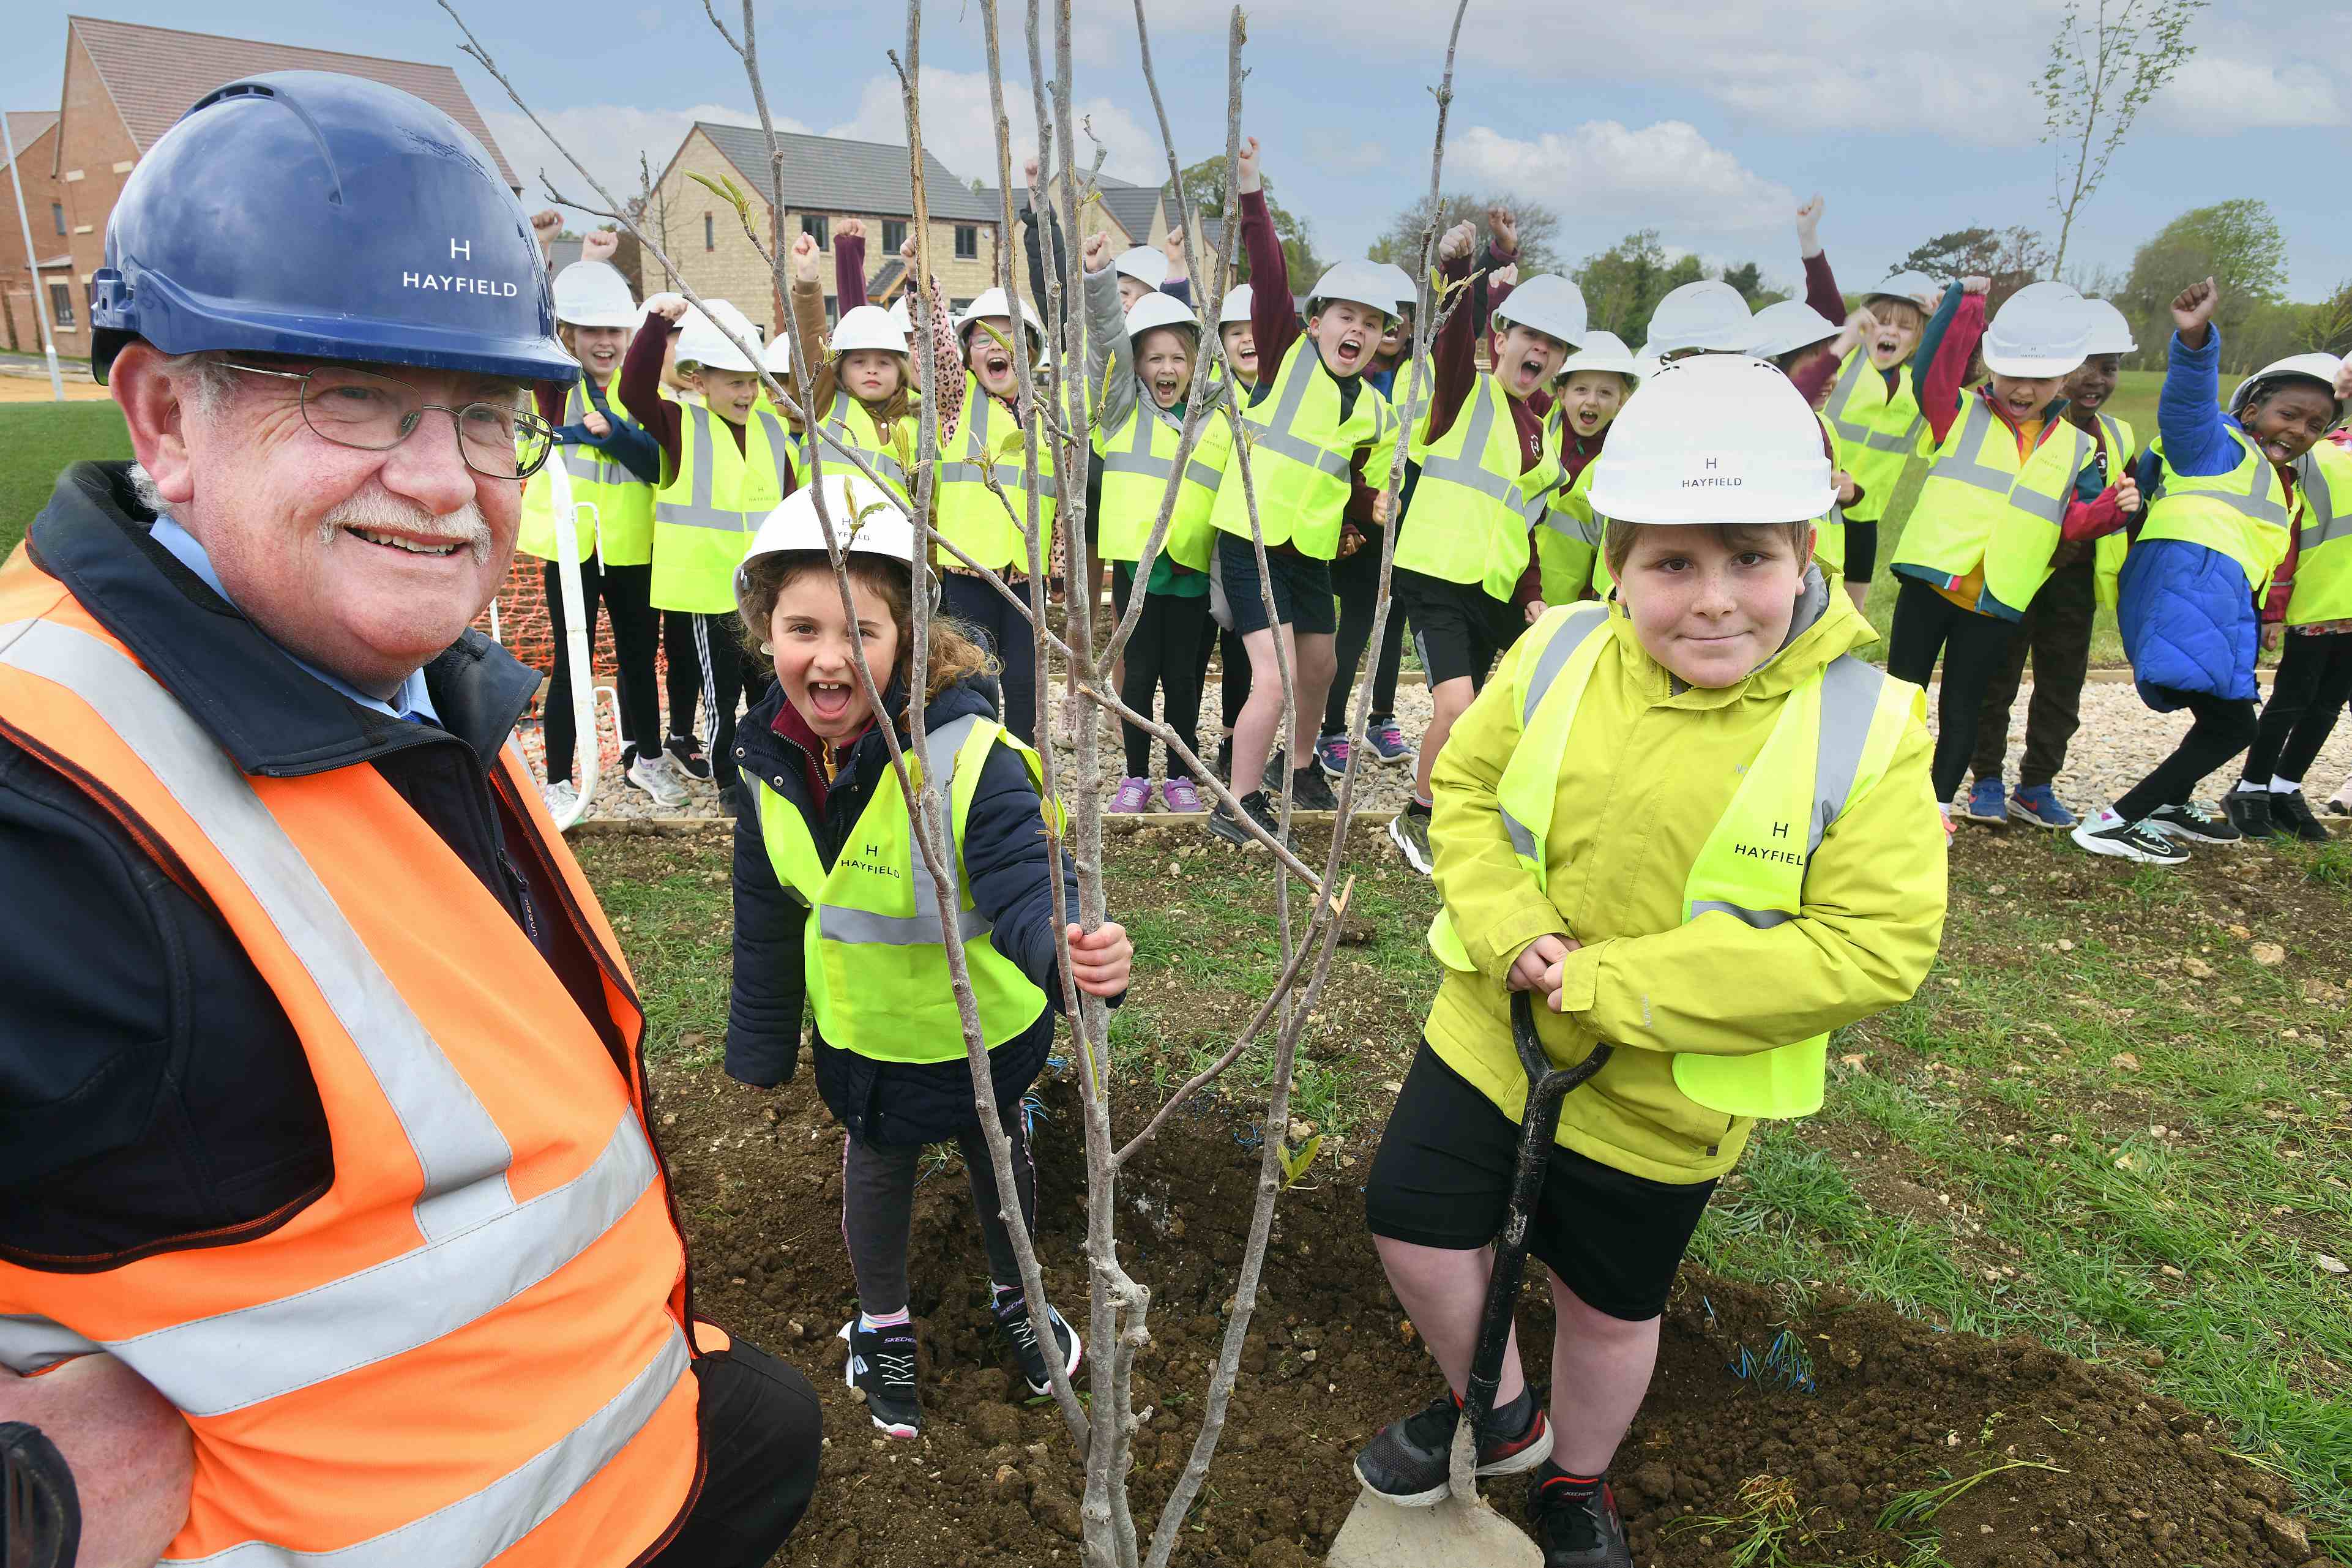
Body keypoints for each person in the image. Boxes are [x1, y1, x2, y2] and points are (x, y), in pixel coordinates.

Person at [0, 70, 820, 1568]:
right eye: (355, 397)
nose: (444, 484)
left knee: (771, 1425)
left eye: (487, 415)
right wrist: (28, 1494)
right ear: (165, 416)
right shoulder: (41, 815)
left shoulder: (397, 680)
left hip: (613, 1456)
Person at [1357, 356, 1943, 1567]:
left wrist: (1609, 987)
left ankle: (1576, 1481)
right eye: (1671, 564)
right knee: (1411, 1222)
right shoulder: (1561, 649)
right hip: (1493, 1029)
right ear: (1616, 566)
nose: (1714, 601)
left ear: (1805, 554)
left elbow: (1871, 945)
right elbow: (1466, 787)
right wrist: (1506, 922)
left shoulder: (1865, 723)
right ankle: (1497, 1413)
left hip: (1665, 1097)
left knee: (1606, 1307)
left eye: (1750, 559)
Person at [724, 474, 1131, 1436]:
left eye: (860, 631)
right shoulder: (766, 759)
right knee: (879, 1172)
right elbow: (767, 909)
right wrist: (761, 1042)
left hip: (986, 1036)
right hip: (867, 1040)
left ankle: (1019, 1299)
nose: (829, 657)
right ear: (765, 632)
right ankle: (883, 1325)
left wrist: (1066, 948)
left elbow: (1026, 874)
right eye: (802, 627)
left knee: (1001, 1164)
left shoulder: (966, 755)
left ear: (907, 639)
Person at [2072, 285, 2352, 861]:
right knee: (2234, 727)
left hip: (2214, 598)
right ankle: (2113, 822)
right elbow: (2185, 406)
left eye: (2314, 425)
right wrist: (2195, 340)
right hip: (2185, 586)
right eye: (2288, 414)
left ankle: (2170, 803)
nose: (2298, 430)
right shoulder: (2215, 447)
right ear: (2250, 413)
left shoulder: (2279, 482)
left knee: (2219, 714)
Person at [1885, 278, 2132, 836]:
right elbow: (1931, 372)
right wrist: (1964, 304)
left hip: (1996, 600)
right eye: (2011, 374)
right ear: (1992, 367)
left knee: (1963, 708)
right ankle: (1879, 794)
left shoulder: (2077, 446)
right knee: (1900, 696)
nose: (2023, 389)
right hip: (1931, 583)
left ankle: (1935, 808)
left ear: (2064, 379)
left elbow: (2075, 521)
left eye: (2041, 380)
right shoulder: (1958, 412)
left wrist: (2113, 510)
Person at [1204, 135, 1398, 845]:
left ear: (1380, 342)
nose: (1358, 330)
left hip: (1309, 551)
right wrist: (1252, 190)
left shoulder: (1376, 409)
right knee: (1278, 676)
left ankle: (1301, 768)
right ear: (1316, 324)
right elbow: (1268, 270)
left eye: (1372, 324)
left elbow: (1361, 481)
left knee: (1321, 664)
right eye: (1346, 316)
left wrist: (1372, 507)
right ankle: (1237, 804)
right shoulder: (1285, 355)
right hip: (1251, 539)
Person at [1385, 218, 1574, 875]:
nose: (1540, 351)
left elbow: (1525, 527)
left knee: (1512, 705)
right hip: (1435, 577)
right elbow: (1451, 339)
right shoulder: (1464, 394)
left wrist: (1533, 595)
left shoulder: (1542, 436)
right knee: (1455, 706)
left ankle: (1482, 804)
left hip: (1494, 591)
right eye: (1529, 337)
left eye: (1554, 346)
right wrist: (1465, 268)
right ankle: (1418, 816)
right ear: (1502, 339)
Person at [521, 228, 689, 812]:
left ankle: (646, 761)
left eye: (615, 331)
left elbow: (654, 463)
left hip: (632, 544)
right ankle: (559, 780)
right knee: (572, 660)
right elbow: (534, 320)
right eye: (591, 330)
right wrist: (550, 252)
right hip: (570, 546)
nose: (605, 342)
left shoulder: (639, 391)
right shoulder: (554, 386)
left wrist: (616, 434)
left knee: (639, 658)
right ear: (569, 334)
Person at [1964, 297, 2143, 830]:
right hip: (2014, 573)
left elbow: (2127, 500)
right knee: (1995, 679)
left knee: (2061, 685)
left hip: (2073, 584)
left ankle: (2037, 785)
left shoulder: (2117, 434)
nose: (2096, 379)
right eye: (2086, 365)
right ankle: (1986, 779)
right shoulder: (2024, 423)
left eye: (2109, 367)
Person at [621, 291, 794, 814]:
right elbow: (632, 392)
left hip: (766, 594)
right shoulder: (681, 423)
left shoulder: (772, 428)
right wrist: (656, 327)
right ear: (699, 381)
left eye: (751, 381)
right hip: (708, 591)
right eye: (734, 382)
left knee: (770, 687)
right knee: (721, 694)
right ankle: (728, 782)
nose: (747, 393)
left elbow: (787, 502)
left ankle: (770, 769)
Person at [1083, 245, 1231, 813]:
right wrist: (1100, 280)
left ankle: (1180, 775)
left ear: (1195, 364)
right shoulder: (1122, 409)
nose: (1165, 369)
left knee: (1184, 678)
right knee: (1140, 674)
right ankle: (1136, 776)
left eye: (1177, 358)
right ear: (1136, 365)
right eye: (1152, 359)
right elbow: (1105, 346)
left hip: (1191, 565)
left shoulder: (1215, 415)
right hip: (1138, 568)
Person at [1791, 195, 1938, 607]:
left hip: (1865, 512)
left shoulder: (1919, 384)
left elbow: (1966, 358)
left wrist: (1947, 314)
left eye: (1904, 327)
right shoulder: (1847, 358)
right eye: (1882, 322)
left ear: (1919, 338)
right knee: (1803, 606)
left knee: (1852, 614)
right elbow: (1826, 303)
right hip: (1816, 505)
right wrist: (1809, 238)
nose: (1889, 332)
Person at [2227, 378, 2352, 840]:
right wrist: (2275, 609)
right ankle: (2250, 789)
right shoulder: (2317, 453)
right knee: (2290, 702)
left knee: (2327, 706)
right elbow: (2287, 531)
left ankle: (2285, 788)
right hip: (2315, 603)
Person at [1525, 332, 1642, 607]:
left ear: (1621, 402)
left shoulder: (1623, 465)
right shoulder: (1536, 421)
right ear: (1562, 394)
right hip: (1510, 591)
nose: (1592, 401)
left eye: (1605, 393)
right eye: (1581, 390)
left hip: (1567, 608)